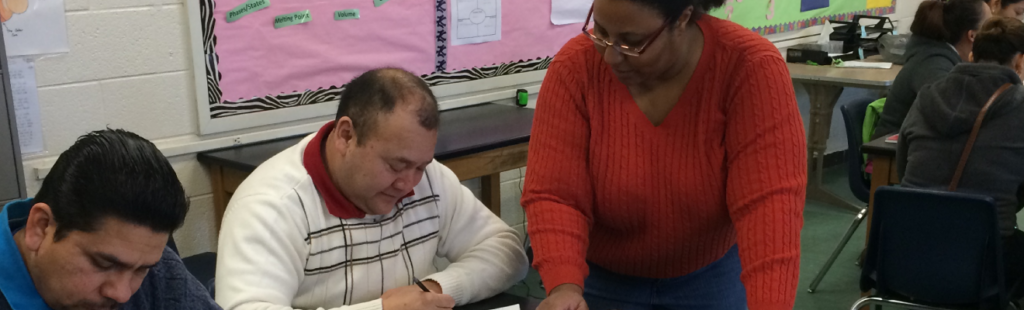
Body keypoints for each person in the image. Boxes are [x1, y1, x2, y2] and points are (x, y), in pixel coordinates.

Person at [520, 0, 807, 309]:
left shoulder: (749, 65)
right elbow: (556, 195)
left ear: (682, 19)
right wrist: (564, 286)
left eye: (632, 42)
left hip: (711, 280)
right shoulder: (576, 67)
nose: (611, 55)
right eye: (601, 31)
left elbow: (769, 207)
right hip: (600, 280)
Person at [215, 68, 529, 310]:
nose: (408, 184)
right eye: (395, 165)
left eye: (420, 166)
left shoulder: (429, 178)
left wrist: (433, 290)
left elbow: (508, 253)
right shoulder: (271, 205)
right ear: (346, 136)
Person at [0, 129, 221, 310]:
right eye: (104, 264)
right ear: (41, 227)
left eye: (140, 270)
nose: (122, 294)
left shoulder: (153, 264)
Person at [897, 16, 1024, 300]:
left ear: (971, 54)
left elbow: (901, 166)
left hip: (905, 254)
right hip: (986, 263)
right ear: (1019, 62)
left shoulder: (927, 95)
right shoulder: (1020, 106)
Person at [873, 0, 991, 139]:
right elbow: (948, 117)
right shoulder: (932, 64)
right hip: (889, 155)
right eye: (989, 28)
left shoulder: (946, 58)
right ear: (972, 35)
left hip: (917, 148)